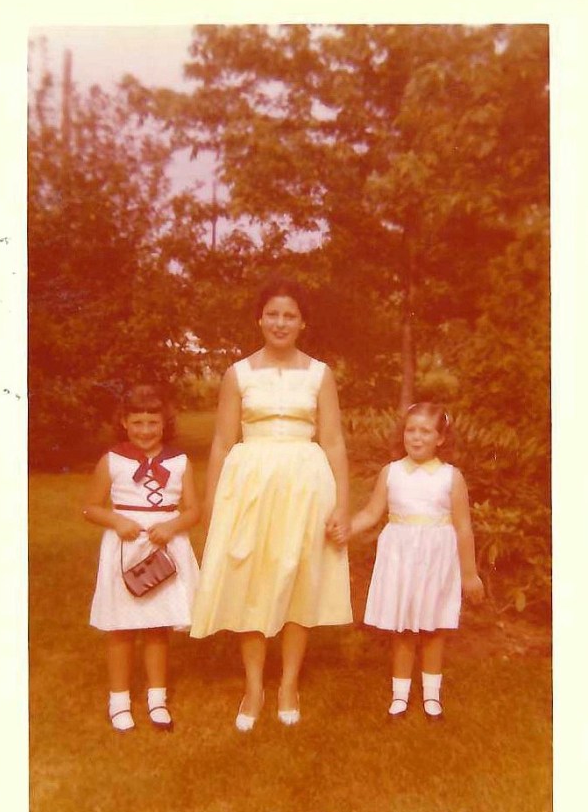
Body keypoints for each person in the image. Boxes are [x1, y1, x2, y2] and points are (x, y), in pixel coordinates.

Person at [190, 275, 352, 730]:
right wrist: (212, 504)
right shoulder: (238, 374)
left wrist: (342, 504)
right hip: (250, 485)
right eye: (273, 314)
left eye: (290, 315)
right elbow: (222, 442)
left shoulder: (320, 374)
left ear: (303, 323)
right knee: (253, 578)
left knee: (299, 576)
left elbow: (333, 442)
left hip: (305, 483)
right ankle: (254, 685)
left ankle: (289, 684)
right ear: (260, 320)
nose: (281, 322)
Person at [346, 402, 484, 720]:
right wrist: (345, 530)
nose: (417, 437)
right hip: (400, 556)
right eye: (411, 430)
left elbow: (463, 527)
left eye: (425, 431)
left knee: (434, 626)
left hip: (436, 559)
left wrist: (469, 574)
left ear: (440, 439)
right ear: (403, 434)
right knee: (403, 626)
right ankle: (400, 695)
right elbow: (371, 513)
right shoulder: (392, 472)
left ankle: (432, 695)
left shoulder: (451, 477)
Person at [84, 384, 200, 732]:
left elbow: (194, 510)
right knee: (121, 626)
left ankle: (157, 699)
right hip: (126, 547)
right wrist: (117, 521)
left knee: (156, 625)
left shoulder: (179, 462)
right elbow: (90, 507)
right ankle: (119, 701)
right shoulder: (112, 460)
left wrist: (172, 525)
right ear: (124, 422)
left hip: (164, 546)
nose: (145, 430)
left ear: (165, 423)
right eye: (137, 423)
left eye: (153, 423)